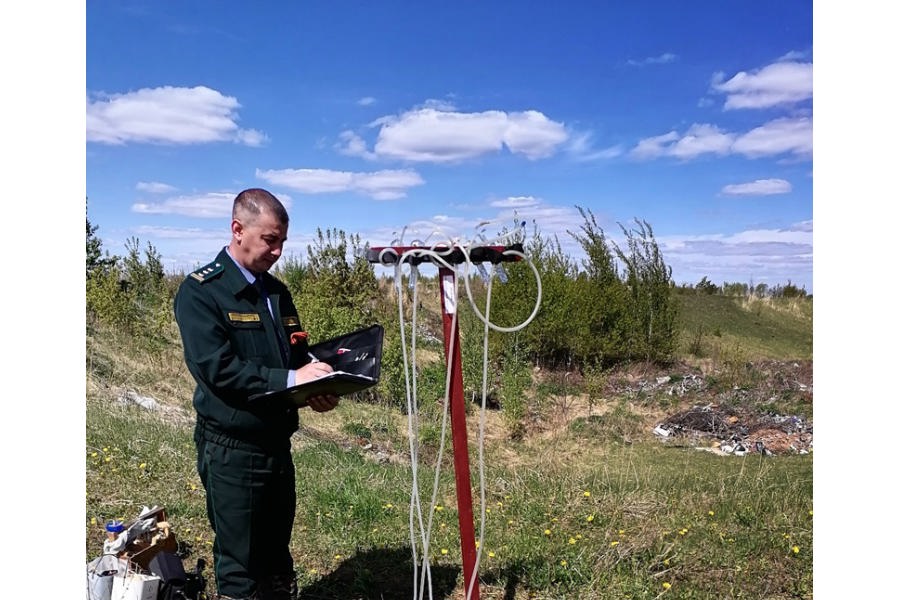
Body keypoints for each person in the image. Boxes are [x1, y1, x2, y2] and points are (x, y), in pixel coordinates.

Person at [174, 188, 339, 600]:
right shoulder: (202, 292)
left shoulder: (278, 292)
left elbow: (297, 357)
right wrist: (292, 381)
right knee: (241, 565)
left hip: (276, 443)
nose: (278, 250)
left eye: (282, 240)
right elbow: (218, 370)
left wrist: (320, 386)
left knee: (276, 557)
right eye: (270, 239)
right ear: (238, 230)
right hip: (233, 448)